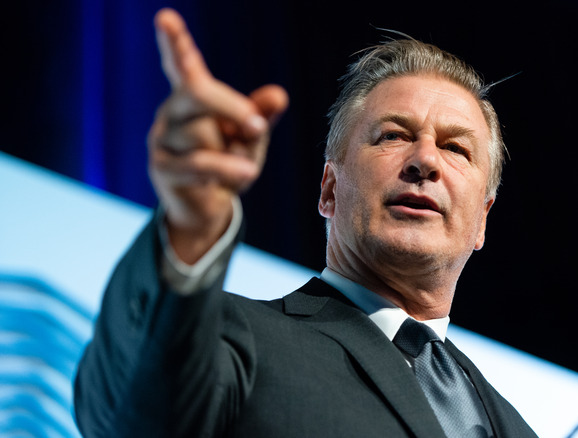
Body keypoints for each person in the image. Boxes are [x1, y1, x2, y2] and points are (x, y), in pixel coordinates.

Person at [74, 7, 538, 438]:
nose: (424, 160)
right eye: (393, 135)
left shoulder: (516, 427)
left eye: (456, 148)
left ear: (482, 219)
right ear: (329, 190)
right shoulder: (236, 339)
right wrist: (189, 224)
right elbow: (131, 413)